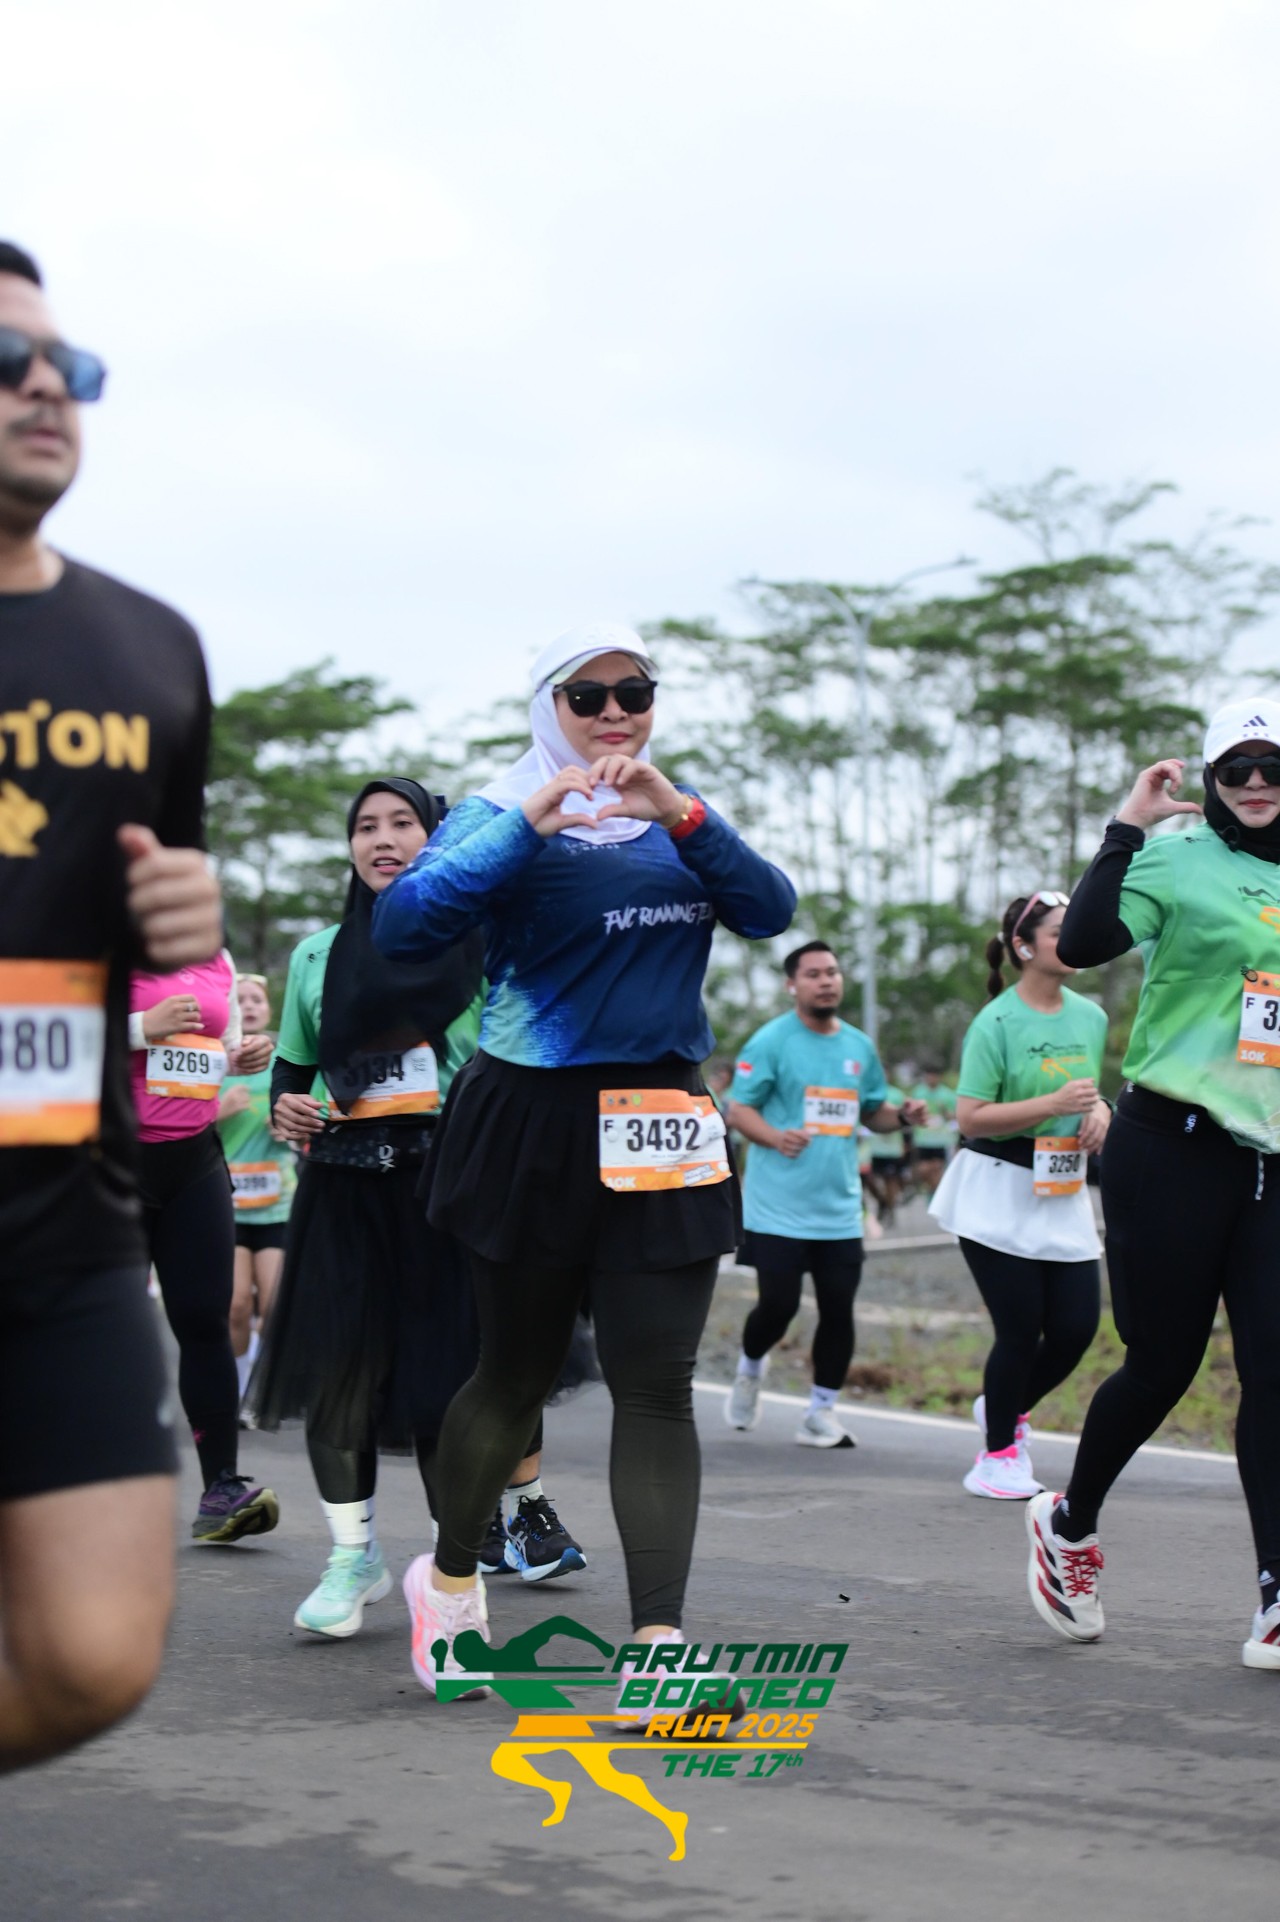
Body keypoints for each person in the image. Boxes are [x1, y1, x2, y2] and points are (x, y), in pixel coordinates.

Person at [372, 623, 796, 1693]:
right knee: (513, 1374)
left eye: (633, 692)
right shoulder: (497, 810)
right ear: (547, 707)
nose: (613, 713)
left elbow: (769, 909)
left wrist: (680, 814)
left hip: (662, 1110)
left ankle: (658, 1646)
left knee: (654, 1384)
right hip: (533, 1117)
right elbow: (404, 927)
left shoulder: (676, 811)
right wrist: (529, 826)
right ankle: (450, 1581)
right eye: (587, 695)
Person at [0, 241, 222, 1770]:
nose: (43, 387)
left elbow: (150, 916)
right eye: (4, 362)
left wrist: (180, 929)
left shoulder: (152, 649)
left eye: (66, 366)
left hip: (63, 1224)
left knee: (93, 1654)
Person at [256, 778, 582, 1637]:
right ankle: (352, 1559)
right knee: (338, 1378)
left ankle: (451, 1578)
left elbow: (527, 1056)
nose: (382, 839)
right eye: (365, 826)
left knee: (450, 1388)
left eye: (402, 822)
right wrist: (285, 1107)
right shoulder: (316, 955)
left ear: (435, 840)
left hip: (455, 1185)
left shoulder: (483, 937)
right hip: (344, 1186)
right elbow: (292, 1071)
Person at [1020, 702, 1280, 1665]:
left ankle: (1276, 1596)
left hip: (1273, 1159)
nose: (1255, 783)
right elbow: (1083, 944)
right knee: (1163, 1365)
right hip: (1171, 1145)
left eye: (1273, 765)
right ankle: (1070, 1524)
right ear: (1211, 779)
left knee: (1275, 1374)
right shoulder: (1175, 855)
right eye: (1235, 768)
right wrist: (1125, 828)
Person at [929, 895, 1108, 1499]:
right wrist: (1051, 1105)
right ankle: (997, 1455)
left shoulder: (1091, 1016)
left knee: (1076, 1329)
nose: (1075, 939)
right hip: (995, 1190)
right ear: (1024, 947)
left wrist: (1101, 1112)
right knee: (1020, 1328)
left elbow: (1093, 1094)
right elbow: (971, 1117)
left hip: (1062, 1188)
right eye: (1060, 931)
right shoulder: (996, 1022)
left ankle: (1003, 1407)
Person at [724, 940, 925, 1446]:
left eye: (832, 972)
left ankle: (821, 1412)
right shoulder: (771, 1042)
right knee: (778, 1306)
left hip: (838, 1208)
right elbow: (739, 1110)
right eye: (813, 974)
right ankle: (750, 1367)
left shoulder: (858, 1046)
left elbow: (872, 1110)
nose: (826, 981)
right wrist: (775, 1137)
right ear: (792, 985)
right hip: (778, 1207)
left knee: (839, 1308)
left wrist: (902, 1116)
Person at [130, 954, 279, 1540]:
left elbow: (221, 1045)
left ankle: (222, 1488)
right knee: (97, 1327)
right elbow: (51, 1028)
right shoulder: (98, 929)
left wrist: (242, 1056)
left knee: (205, 1319)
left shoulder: (216, 956)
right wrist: (143, 1026)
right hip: (110, 1158)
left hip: (194, 1160)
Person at [217, 972, 296, 1399]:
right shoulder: (214, 1061)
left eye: (256, 1000)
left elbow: (311, 1119)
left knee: (274, 1304)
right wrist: (220, 1111)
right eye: (240, 999)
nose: (248, 1006)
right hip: (226, 1203)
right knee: (235, 1306)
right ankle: (238, 1388)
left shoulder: (286, 1062)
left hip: (276, 1203)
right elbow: (181, 1124)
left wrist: (289, 1128)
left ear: (269, 1009)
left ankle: (262, 1391)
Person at [864, 1076, 911, 1227]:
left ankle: (891, 1210)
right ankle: (882, 1201)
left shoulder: (897, 1095)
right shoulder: (866, 1091)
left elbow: (905, 1119)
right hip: (871, 1148)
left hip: (892, 1148)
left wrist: (907, 1143)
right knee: (870, 1181)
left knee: (890, 1180)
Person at [908, 1065, 958, 1194]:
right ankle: (935, 1192)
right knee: (923, 1170)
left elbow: (954, 1117)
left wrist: (944, 1111)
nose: (931, 1078)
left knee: (937, 1168)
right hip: (923, 1139)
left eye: (934, 1075)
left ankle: (936, 1196)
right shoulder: (918, 1093)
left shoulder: (947, 1094)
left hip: (941, 1139)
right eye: (928, 1075)